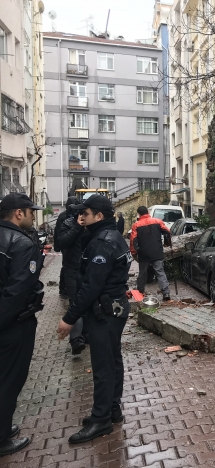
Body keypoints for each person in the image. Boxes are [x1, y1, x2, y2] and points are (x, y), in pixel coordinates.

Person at [56, 195, 131, 444]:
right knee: (113, 359)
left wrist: (69, 318)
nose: (81, 218)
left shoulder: (103, 242)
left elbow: (91, 287)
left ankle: (101, 420)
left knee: (103, 366)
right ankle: (112, 408)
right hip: (113, 309)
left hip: (106, 311)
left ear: (99, 216)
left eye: (85, 214)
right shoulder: (109, 236)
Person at [0, 193, 44, 457]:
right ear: (19, 213)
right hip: (12, 325)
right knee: (9, 380)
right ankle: (2, 438)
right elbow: (16, 292)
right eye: (30, 212)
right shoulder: (22, 244)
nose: (32, 216)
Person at [56, 199, 86, 355]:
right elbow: (61, 242)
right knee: (75, 302)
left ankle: (85, 335)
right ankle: (75, 339)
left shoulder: (92, 226)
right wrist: (77, 227)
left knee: (89, 301)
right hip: (71, 268)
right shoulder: (68, 223)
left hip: (87, 269)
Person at [129, 206, 171, 301]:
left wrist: (134, 252)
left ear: (139, 214)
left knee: (143, 273)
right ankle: (166, 293)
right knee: (160, 272)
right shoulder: (157, 221)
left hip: (144, 253)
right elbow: (167, 232)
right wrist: (168, 243)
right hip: (157, 251)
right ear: (148, 212)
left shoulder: (136, 225)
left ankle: (140, 292)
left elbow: (133, 240)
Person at [53, 198, 78, 299]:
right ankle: (64, 288)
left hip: (67, 245)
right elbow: (58, 231)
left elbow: (57, 231)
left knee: (66, 266)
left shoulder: (63, 215)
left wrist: (57, 246)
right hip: (69, 245)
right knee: (67, 267)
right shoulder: (65, 216)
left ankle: (64, 289)